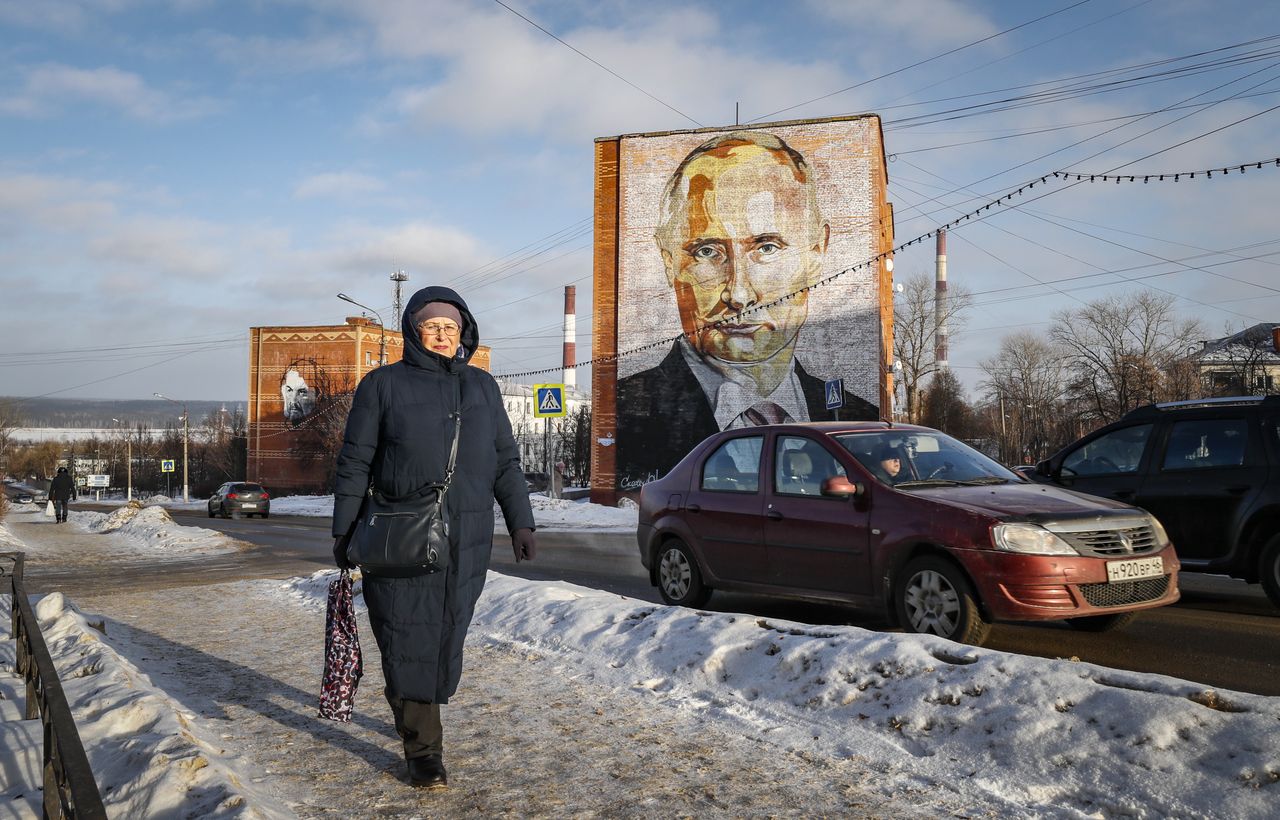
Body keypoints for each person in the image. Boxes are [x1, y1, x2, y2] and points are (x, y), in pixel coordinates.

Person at [331, 286, 537, 790]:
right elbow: (355, 462)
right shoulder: (382, 385)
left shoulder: (482, 389)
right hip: (400, 534)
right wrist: (344, 530)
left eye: (451, 327)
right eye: (432, 327)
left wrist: (521, 522)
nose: (443, 336)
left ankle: (416, 716)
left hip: (467, 537)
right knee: (406, 634)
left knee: (446, 633)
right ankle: (424, 751)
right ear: (413, 332)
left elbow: (506, 463)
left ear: (463, 331)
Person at [616, 131, 878, 485]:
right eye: (707, 251)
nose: (739, 294)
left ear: (816, 252)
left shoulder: (859, 418)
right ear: (670, 263)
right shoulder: (624, 414)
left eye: (767, 247)